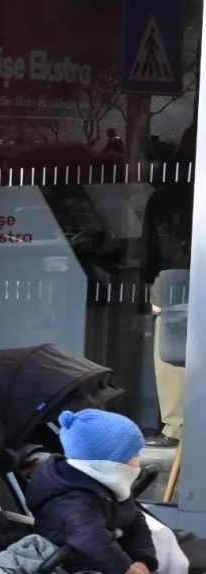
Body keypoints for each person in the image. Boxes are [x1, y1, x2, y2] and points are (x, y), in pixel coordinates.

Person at [26, 409, 206, 574]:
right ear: (110, 462)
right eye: (135, 456)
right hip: (73, 568)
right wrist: (124, 569)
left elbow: (137, 522)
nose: (139, 462)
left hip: (109, 557)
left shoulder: (108, 484)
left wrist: (143, 560)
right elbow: (89, 541)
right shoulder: (70, 499)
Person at [141, 125, 194, 449]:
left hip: (177, 274)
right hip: (178, 271)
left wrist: (156, 278)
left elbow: (160, 241)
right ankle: (177, 425)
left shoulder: (171, 190)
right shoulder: (175, 188)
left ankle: (176, 426)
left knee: (171, 352)